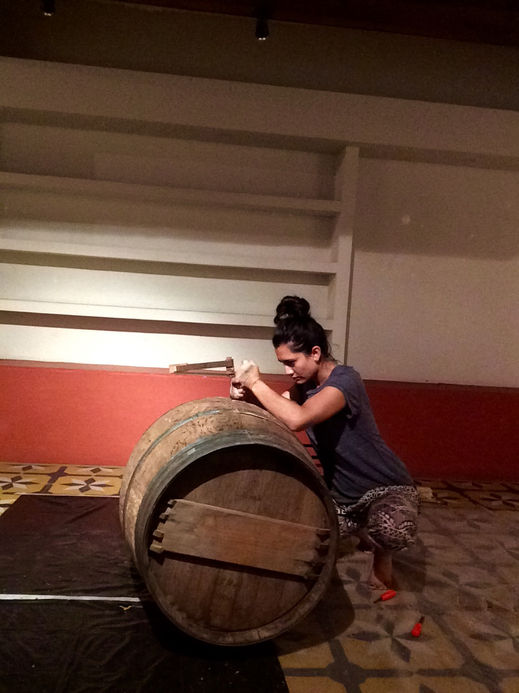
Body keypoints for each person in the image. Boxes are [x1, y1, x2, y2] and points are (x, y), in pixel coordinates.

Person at [230, 295, 418, 590]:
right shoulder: (305, 387)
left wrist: (256, 382)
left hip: (385, 486)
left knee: (391, 528)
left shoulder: (345, 381)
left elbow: (298, 419)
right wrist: (243, 394)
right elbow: (278, 410)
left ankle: (382, 553)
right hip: (343, 498)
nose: (287, 371)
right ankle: (362, 528)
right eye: (283, 364)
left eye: (291, 362)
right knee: (301, 537)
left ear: (315, 353)